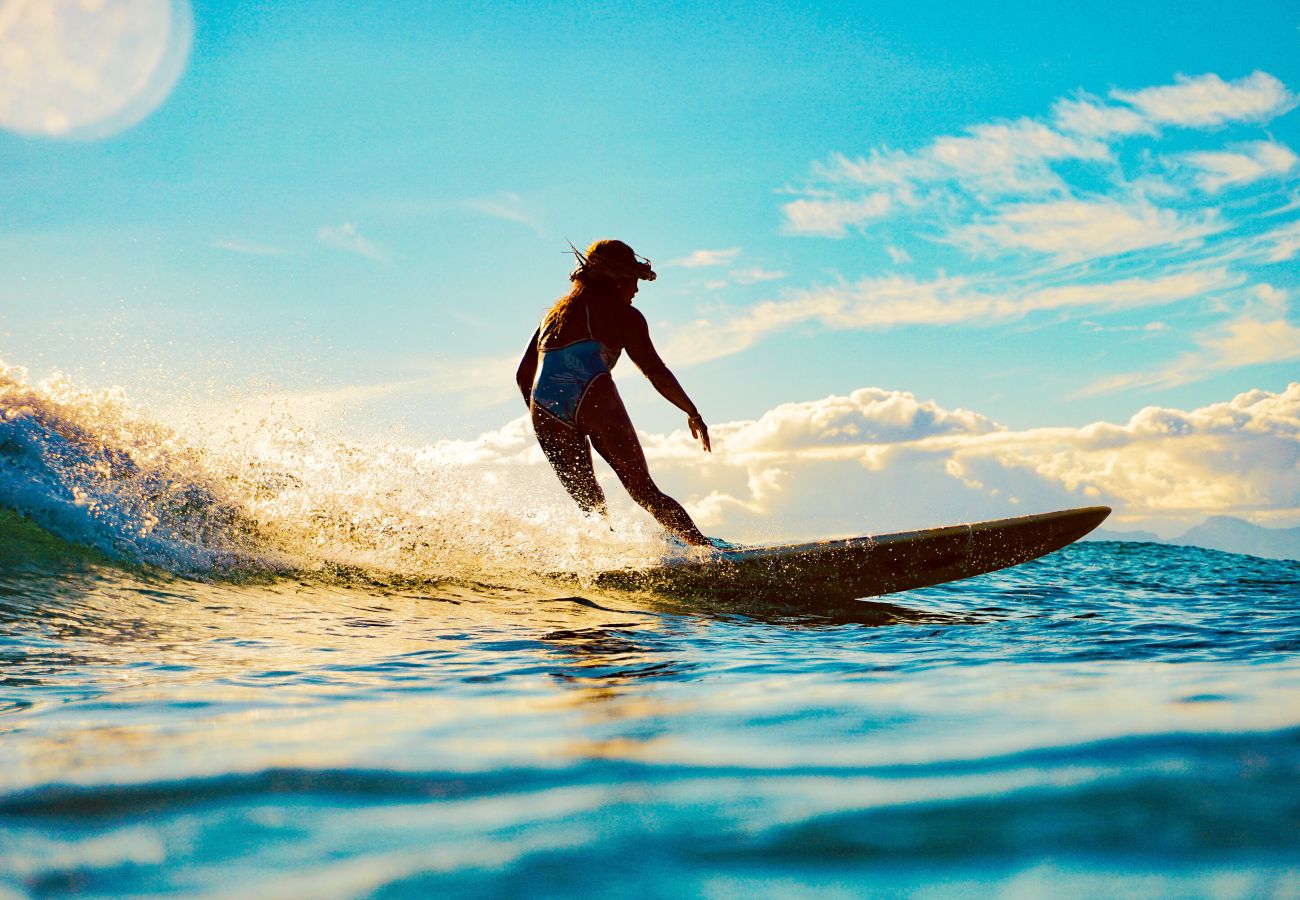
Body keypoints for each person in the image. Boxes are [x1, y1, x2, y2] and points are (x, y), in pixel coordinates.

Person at [516, 239, 713, 546]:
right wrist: (692, 411)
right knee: (643, 491)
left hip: (543, 404)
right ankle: (707, 552)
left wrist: (545, 412)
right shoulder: (624, 315)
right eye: (633, 280)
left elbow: (522, 375)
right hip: (592, 391)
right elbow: (654, 370)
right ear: (618, 279)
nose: (635, 290)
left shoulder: (551, 318)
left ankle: (604, 559)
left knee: (590, 504)